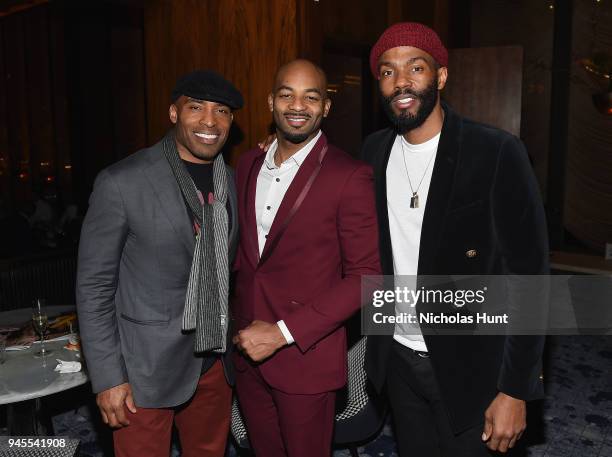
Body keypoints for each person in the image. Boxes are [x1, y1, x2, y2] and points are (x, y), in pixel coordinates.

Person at [362, 23, 549, 456]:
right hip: (399, 362)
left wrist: (515, 390)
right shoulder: (372, 152)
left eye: (416, 67)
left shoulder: (497, 152)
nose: (401, 82)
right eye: (388, 72)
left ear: (441, 76)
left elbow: (531, 279)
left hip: (475, 369)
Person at [76, 70, 242, 457]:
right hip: (142, 370)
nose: (209, 121)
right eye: (195, 107)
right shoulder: (122, 182)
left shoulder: (234, 181)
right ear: (173, 112)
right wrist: (108, 378)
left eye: (221, 111)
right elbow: (94, 286)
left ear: (231, 123)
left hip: (214, 363)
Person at [232, 59, 380, 457]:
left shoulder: (349, 175)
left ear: (326, 107)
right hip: (246, 352)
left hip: (305, 356)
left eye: (310, 97)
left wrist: (282, 333)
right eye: (287, 94)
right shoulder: (246, 164)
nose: (298, 105)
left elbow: (367, 277)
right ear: (270, 102)